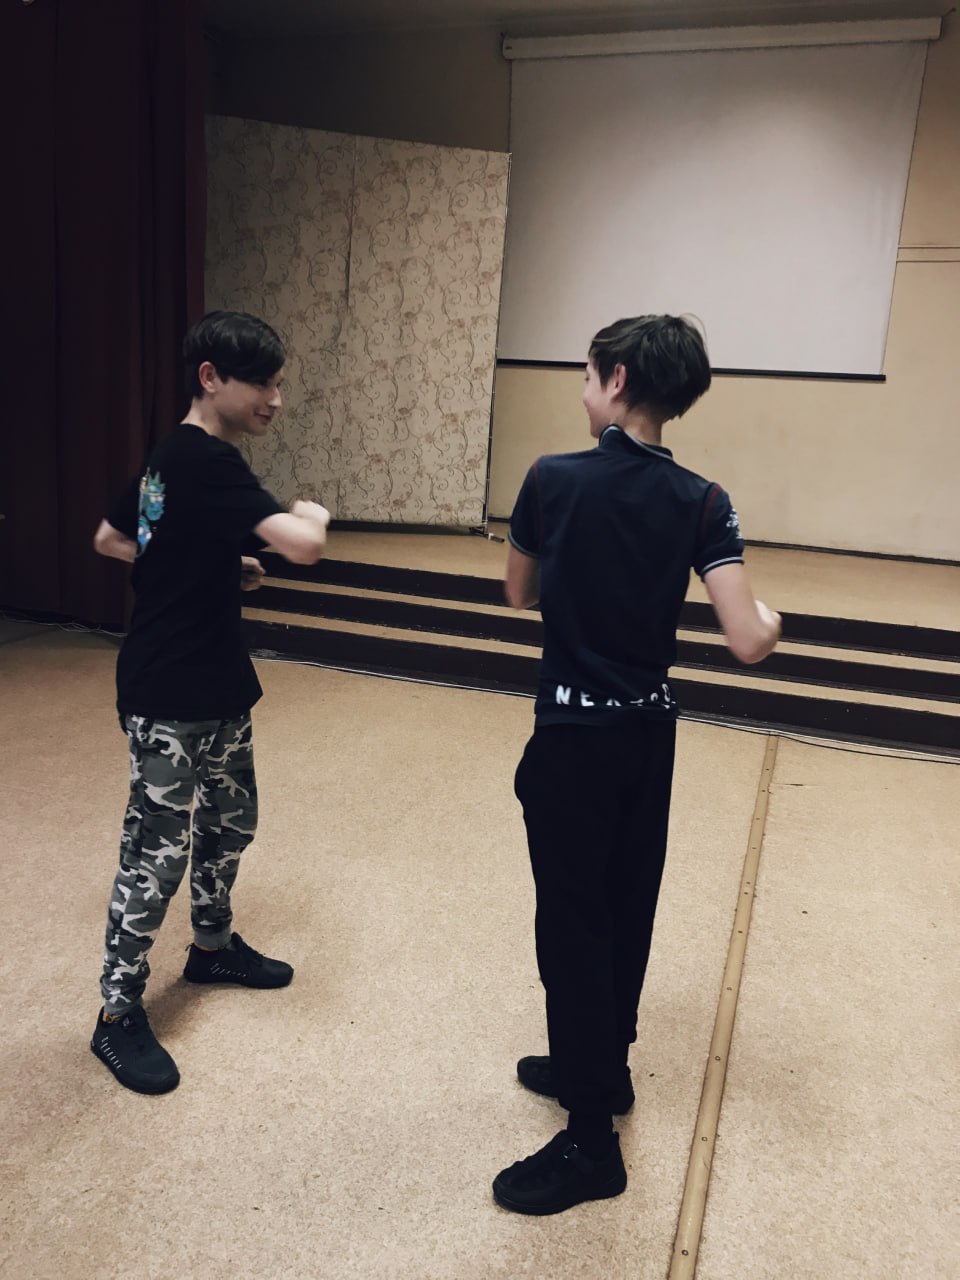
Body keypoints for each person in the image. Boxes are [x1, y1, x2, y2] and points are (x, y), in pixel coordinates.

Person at [494, 314, 781, 1215]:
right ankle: (602, 1066)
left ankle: (591, 1144)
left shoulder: (551, 479)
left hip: (571, 738)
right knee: (625, 906)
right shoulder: (704, 499)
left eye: (588, 377)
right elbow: (747, 639)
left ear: (616, 380)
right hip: (648, 738)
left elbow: (517, 591)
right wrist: (773, 619)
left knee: (571, 926)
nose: (584, 392)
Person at [90, 310, 331, 1095]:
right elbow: (303, 544)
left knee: (230, 822)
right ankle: (116, 1014)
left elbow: (114, 538)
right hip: (168, 693)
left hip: (219, 683)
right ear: (210, 378)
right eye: (262, 382)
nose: (275, 399)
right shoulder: (203, 458)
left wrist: (213, 563)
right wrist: (315, 513)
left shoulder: (171, 456)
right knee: (154, 856)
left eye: (279, 383)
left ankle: (212, 947)